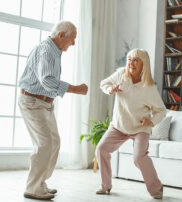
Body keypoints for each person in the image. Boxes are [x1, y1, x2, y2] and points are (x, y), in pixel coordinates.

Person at [18, 21, 88, 200]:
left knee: (54, 142)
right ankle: (33, 187)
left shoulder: (54, 50)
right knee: (44, 143)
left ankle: (40, 182)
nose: (73, 44)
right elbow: (47, 80)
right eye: (72, 39)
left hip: (44, 103)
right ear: (61, 35)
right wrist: (75, 88)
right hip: (33, 101)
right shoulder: (47, 50)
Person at [97, 48, 166, 199]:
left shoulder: (149, 87)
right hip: (119, 126)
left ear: (143, 64)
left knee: (139, 157)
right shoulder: (121, 75)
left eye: (135, 60)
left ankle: (156, 189)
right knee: (102, 149)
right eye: (129, 59)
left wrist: (151, 120)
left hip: (140, 128)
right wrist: (110, 89)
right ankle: (105, 185)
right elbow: (104, 83)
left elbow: (161, 110)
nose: (131, 63)